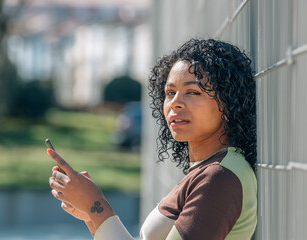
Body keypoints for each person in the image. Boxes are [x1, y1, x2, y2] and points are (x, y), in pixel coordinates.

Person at [48, 38, 257, 240]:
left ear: (229, 103)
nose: (175, 103)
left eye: (192, 92)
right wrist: (91, 214)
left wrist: (97, 205)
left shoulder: (219, 178)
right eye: (170, 92)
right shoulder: (208, 169)